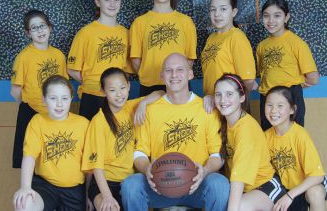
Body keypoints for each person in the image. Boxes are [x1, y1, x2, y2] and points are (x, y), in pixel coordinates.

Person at [121, 53, 229, 211]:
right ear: (162, 76)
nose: (174, 75)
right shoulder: (149, 109)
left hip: (196, 186)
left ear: (190, 74)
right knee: (131, 185)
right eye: (169, 70)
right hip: (160, 185)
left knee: (219, 184)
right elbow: (140, 153)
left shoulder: (207, 108)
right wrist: (147, 169)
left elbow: (217, 155)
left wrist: (204, 171)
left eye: (180, 69)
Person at [82, 67, 163, 211]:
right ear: (103, 92)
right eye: (112, 90)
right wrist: (106, 196)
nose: (119, 94)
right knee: (110, 208)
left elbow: (161, 93)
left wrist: (144, 103)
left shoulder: (131, 107)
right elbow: (97, 166)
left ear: (129, 86)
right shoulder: (99, 121)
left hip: (129, 181)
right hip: (104, 184)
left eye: (122, 88)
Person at [12, 75, 89, 211]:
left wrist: (89, 194)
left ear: (71, 99)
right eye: (53, 98)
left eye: (64, 98)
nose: (59, 104)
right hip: (45, 185)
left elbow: (91, 165)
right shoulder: (37, 121)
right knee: (24, 203)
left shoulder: (83, 124)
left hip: (75, 190)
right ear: (44, 99)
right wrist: (25, 187)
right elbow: (29, 156)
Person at [213, 73, 286, 211]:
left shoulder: (246, 128)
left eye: (229, 94)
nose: (223, 100)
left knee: (238, 207)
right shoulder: (225, 121)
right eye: (218, 94)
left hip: (266, 186)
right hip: (246, 189)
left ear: (242, 97)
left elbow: (238, 178)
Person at [67, 0, 132, 121]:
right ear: (97, 1)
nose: (112, 3)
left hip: (117, 97)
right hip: (92, 96)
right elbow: (72, 69)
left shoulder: (126, 34)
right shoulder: (85, 33)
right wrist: (97, 84)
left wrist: (116, 87)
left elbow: (127, 68)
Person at [11, 9, 68, 169]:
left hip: (55, 112)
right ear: (28, 33)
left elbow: (63, 86)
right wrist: (31, 105)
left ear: (50, 27)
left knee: (52, 157)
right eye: (34, 28)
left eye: (42, 26)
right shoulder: (24, 57)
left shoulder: (58, 56)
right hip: (31, 111)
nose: (40, 31)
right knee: (29, 159)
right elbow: (15, 90)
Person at [130, 0, 197, 96]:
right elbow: (135, 60)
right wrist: (150, 76)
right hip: (149, 87)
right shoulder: (139, 22)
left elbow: (189, 59)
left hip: (179, 86)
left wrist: (176, 78)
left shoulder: (186, 22)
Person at [264, 86, 327, 211]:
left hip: (308, 185)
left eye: (280, 106)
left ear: (292, 109)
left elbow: (317, 176)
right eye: (269, 105)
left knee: (315, 192)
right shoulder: (265, 137)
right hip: (287, 189)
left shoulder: (300, 135)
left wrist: (290, 195)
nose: (273, 111)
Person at [256, 0, 319, 130]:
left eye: (277, 15)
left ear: (286, 17)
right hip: (266, 98)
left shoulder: (296, 43)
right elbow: (264, 73)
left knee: (292, 139)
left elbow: (313, 78)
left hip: (290, 96)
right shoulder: (261, 46)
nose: (271, 20)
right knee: (268, 139)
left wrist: (295, 84)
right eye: (266, 16)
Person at [201, 0, 256, 113]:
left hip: (231, 107)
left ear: (234, 12)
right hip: (212, 105)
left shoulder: (237, 37)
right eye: (213, 9)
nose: (217, 14)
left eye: (223, 9)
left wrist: (234, 104)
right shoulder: (211, 38)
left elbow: (248, 81)